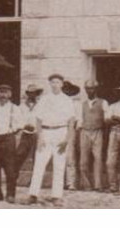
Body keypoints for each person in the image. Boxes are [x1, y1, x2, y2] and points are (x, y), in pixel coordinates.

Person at [25, 74, 75, 205]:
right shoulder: (44, 99)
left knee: (59, 165)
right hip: (46, 133)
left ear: (62, 84)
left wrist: (67, 139)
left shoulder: (67, 100)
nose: (55, 84)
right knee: (39, 164)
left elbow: (71, 121)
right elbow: (38, 119)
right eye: (52, 82)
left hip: (61, 132)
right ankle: (33, 194)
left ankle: (56, 196)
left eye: (58, 82)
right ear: (50, 84)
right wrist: (40, 137)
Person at [0, 83, 24, 203]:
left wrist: (14, 138)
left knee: (10, 168)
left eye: (5, 93)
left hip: (8, 138)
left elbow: (20, 126)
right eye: (0, 92)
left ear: (10, 94)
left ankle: (11, 194)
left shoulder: (14, 108)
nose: (3, 95)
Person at [78, 81, 107, 192]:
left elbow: (107, 118)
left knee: (98, 158)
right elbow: (80, 120)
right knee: (83, 160)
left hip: (97, 132)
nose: (90, 91)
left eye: (92, 88)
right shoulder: (82, 103)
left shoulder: (103, 102)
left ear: (96, 89)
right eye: (88, 89)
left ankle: (98, 185)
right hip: (84, 131)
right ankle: (86, 185)